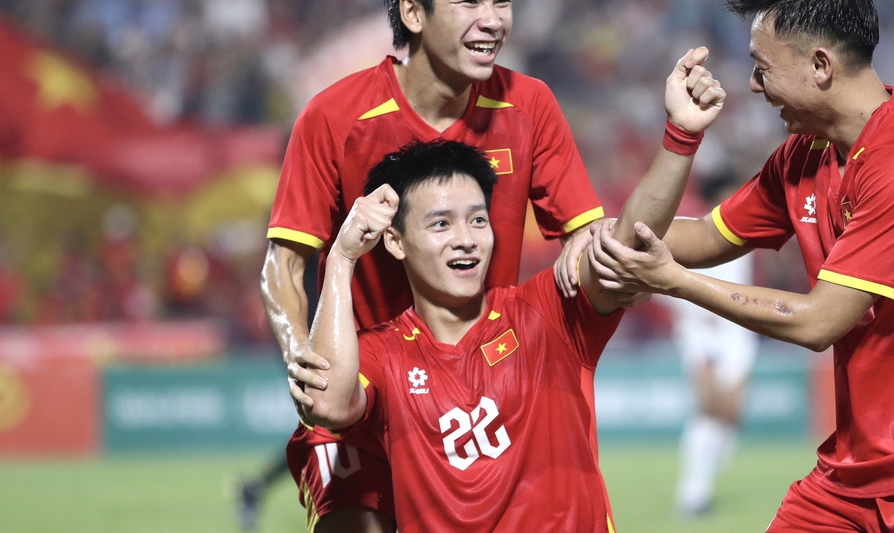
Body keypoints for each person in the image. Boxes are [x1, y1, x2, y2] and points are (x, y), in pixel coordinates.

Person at [590, 0, 894, 532]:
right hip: (853, 471)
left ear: (820, 65)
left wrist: (673, 282)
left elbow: (820, 323)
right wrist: (671, 147)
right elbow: (702, 236)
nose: (751, 84)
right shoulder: (806, 154)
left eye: (761, 66)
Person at [251, 0, 607, 532]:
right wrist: (303, 359)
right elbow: (283, 263)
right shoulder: (333, 118)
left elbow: (583, 236)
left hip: (492, 388)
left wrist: (587, 274)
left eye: (502, 1)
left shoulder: (531, 106)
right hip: (367, 390)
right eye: (468, 0)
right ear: (412, 13)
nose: (492, 20)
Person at [300, 47, 725, 531]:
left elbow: (625, 244)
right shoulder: (383, 353)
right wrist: (341, 258)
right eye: (441, 223)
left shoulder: (547, 312)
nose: (466, 239)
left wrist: (680, 137)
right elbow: (330, 406)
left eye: (478, 219)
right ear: (394, 241)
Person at [669, 176, 759, 518]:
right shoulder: (693, 233)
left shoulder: (746, 234)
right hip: (702, 333)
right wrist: (696, 314)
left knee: (730, 412)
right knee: (708, 407)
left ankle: (706, 478)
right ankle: (693, 491)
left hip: (737, 331)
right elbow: (666, 283)